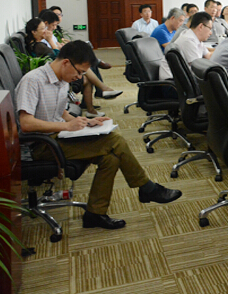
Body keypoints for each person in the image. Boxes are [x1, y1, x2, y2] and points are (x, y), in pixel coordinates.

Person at [16, 41, 182, 230]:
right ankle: (147, 188)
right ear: (66, 63)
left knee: (111, 158)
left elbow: (60, 112)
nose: (80, 77)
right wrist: (67, 126)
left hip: (58, 137)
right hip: (40, 146)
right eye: (79, 72)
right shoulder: (33, 81)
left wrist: (85, 122)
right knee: (115, 140)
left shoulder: (62, 80)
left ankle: (95, 214)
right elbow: (26, 123)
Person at [24, 17, 122, 117]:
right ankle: (100, 91)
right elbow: (58, 57)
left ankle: (97, 97)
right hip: (56, 73)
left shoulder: (40, 44)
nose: (46, 31)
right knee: (85, 73)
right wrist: (51, 41)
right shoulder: (38, 46)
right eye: (43, 29)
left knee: (85, 67)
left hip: (58, 72)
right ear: (34, 32)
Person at [159, 11, 214, 80]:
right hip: (172, 81)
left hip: (182, 79)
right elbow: (198, 68)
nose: (211, 33)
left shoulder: (195, 38)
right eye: (209, 28)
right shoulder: (188, 40)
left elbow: (208, 56)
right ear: (201, 26)